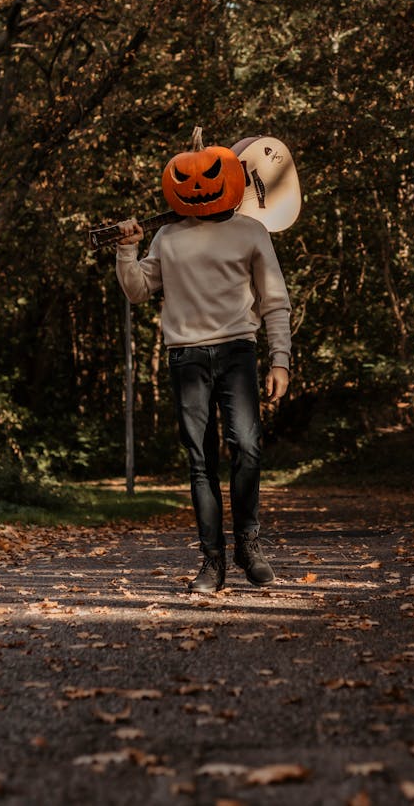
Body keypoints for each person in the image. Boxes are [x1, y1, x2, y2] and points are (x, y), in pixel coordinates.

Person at [115, 191, 291, 595]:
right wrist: (127, 250)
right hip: (186, 356)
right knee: (200, 460)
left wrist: (280, 359)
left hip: (238, 351)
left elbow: (275, 300)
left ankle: (248, 544)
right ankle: (213, 559)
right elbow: (139, 290)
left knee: (247, 447)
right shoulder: (168, 236)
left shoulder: (251, 231)